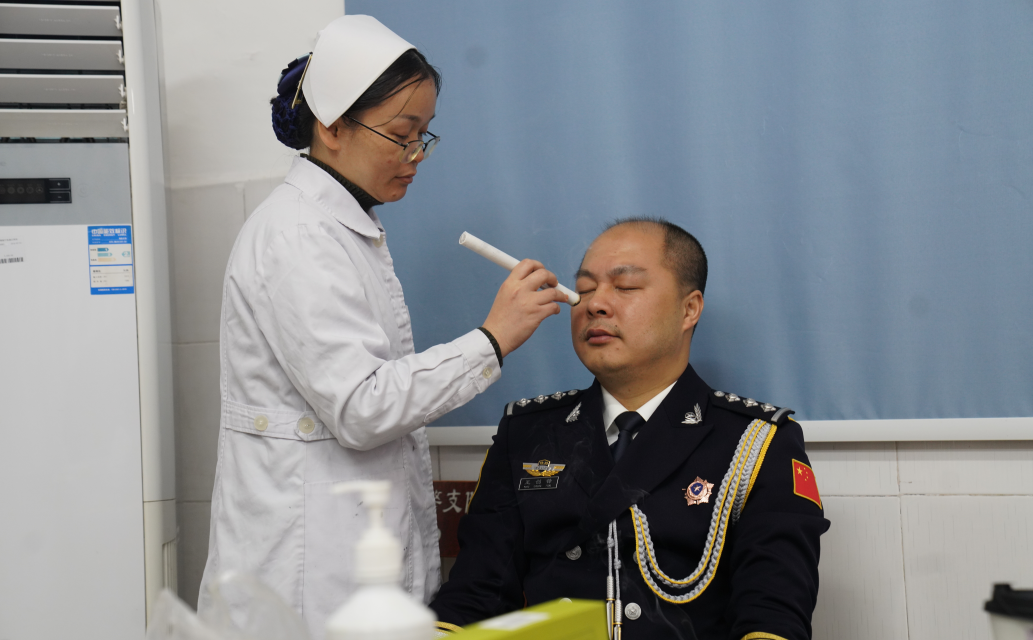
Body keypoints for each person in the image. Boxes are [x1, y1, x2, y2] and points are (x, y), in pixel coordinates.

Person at [198, 15, 568, 638]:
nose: (416, 155)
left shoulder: (343, 227)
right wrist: (492, 338)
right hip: (306, 585)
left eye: (424, 135)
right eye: (400, 134)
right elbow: (361, 407)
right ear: (332, 126)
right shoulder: (297, 235)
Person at [430, 218, 830, 640]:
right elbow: (475, 597)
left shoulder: (756, 442)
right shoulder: (527, 433)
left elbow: (773, 614)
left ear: (689, 309)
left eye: (625, 287)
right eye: (584, 289)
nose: (595, 305)